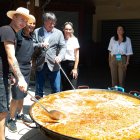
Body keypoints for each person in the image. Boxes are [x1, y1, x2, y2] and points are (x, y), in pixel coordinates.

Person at [0, 7, 32, 139]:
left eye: (26, 20)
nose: (23, 23)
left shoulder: (11, 32)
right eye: (21, 19)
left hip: (4, 75)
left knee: (2, 111)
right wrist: (21, 78)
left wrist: (11, 76)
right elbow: (10, 57)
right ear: (13, 17)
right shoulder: (7, 30)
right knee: (2, 113)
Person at [7, 15, 36, 132]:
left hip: (27, 69)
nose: (32, 25)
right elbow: (11, 55)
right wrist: (11, 73)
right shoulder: (18, 35)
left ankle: (19, 114)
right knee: (15, 96)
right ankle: (11, 119)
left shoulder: (31, 36)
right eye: (30, 23)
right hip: (17, 69)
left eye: (34, 24)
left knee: (23, 94)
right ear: (24, 23)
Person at [33, 12, 66, 99]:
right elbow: (31, 44)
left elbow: (63, 47)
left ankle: (54, 109)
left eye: (54, 22)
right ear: (44, 22)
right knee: (38, 90)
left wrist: (60, 56)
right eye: (50, 23)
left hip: (54, 64)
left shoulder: (59, 33)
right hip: (40, 64)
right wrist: (40, 44)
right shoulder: (37, 31)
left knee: (56, 89)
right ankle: (38, 109)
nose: (53, 25)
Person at [61, 22, 80, 91]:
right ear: (63, 29)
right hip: (62, 65)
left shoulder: (74, 40)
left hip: (72, 65)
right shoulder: (61, 39)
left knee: (72, 87)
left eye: (70, 29)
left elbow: (77, 55)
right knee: (64, 87)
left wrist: (75, 68)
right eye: (66, 29)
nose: (68, 31)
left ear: (72, 30)